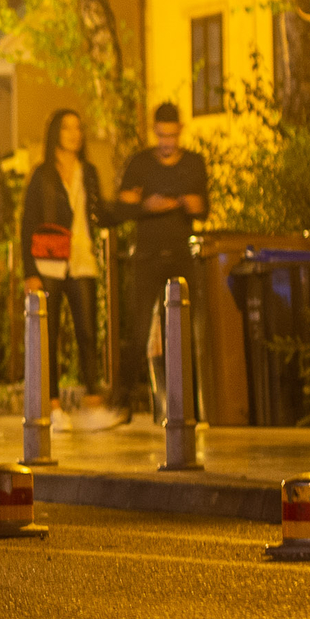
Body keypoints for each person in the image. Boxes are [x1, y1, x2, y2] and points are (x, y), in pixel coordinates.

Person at [114, 102, 209, 413]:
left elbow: (203, 208)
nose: (167, 143)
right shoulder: (140, 163)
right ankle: (122, 399)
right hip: (147, 257)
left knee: (184, 330)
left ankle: (186, 406)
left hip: (181, 256)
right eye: (161, 136)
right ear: (154, 132)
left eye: (172, 136)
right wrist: (146, 205)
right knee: (138, 330)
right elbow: (121, 207)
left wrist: (192, 204)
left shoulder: (194, 163)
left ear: (180, 131)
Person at [20, 108, 111, 424]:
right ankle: (53, 405)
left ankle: (93, 400)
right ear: (56, 132)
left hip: (83, 261)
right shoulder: (42, 174)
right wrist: (29, 271)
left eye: (78, 128)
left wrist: (134, 207)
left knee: (87, 332)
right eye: (68, 128)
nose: (75, 134)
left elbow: (101, 213)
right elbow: (27, 223)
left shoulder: (89, 172)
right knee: (50, 334)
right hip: (49, 263)